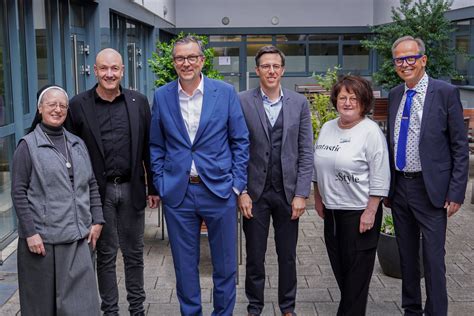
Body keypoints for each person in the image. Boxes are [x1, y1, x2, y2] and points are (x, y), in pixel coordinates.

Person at [149, 35, 249, 315]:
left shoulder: (225, 93)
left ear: (202, 60)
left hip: (219, 191)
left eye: (192, 57)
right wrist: (161, 182)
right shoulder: (162, 96)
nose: (186, 63)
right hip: (179, 193)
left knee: (226, 265)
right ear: (174, 63)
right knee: (184, 265)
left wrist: (236, 185)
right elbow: (156, 145)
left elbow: (240, 140)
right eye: (180, 58)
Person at [66, 48, 159, 316]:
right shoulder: (78, 105)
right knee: (105, 256)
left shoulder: (138, 102)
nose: (109, 74)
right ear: (94, 71)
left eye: (114, 68)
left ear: (122, 71)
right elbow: (70, 151)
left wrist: (152, 187)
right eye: (104, 69)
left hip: (132, 188)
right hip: (98, 192)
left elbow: (147, 149)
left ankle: (137, 310)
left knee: (134, 254)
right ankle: (110, 311)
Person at [385, 36, 469, 315]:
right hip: (400, 189)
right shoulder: (396, 94)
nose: (405, 64)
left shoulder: (444, 92)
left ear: (423, 59)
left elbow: (459, 146)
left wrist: (456, 192)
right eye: (399, 59)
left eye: (411, 57)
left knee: (433, 259)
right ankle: (411, 310)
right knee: (407, 258)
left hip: (430, 189)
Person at [12, 85, 104, 315]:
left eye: (62, 105)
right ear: (40, 108)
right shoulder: (27, 146)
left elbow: (91, 183)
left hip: (77, 240)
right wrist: (30, 232)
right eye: (51, 104)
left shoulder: (77, 143)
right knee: (41, 308)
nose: (57, 109)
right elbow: (18, 192)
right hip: (43, 243)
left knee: (83, 307)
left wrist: (97, 220)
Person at [238, 46, 313, 316]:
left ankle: (287, 307)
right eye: (265, 66)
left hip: (287, 193)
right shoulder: (242, 101)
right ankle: (254, 307)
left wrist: (302, 194)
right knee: (255, 257)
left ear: (282, 70)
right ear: (257, 70)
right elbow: (236, 149)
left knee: (288, 256)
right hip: (254, 193)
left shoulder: (299, 103)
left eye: (276, 66)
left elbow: (306, 151)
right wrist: (241, 191)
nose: (271, 71)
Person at [312, 75, 390, 315]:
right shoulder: (327, 127)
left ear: (364, 102)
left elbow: (380, 173)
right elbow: (318, 165)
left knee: (356, 281)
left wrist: (371, 210)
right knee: (343, 275)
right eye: (342, 97)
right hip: (332, 214)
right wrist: (317, 197)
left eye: (353, 98)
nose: (346, 102)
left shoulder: (370, 131)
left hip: (360, 215)